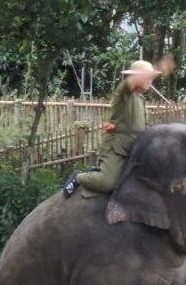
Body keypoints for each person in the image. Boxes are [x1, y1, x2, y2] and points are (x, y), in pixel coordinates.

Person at [65, 53, 176, 198]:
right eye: (147, 76)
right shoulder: (124, 93)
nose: (150, 80)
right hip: (117, 148)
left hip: (136, 148)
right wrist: (158, 67)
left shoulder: (140, 99)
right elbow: (130, 82)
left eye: (151, 77)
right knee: (107, 183)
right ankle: (79, 177)